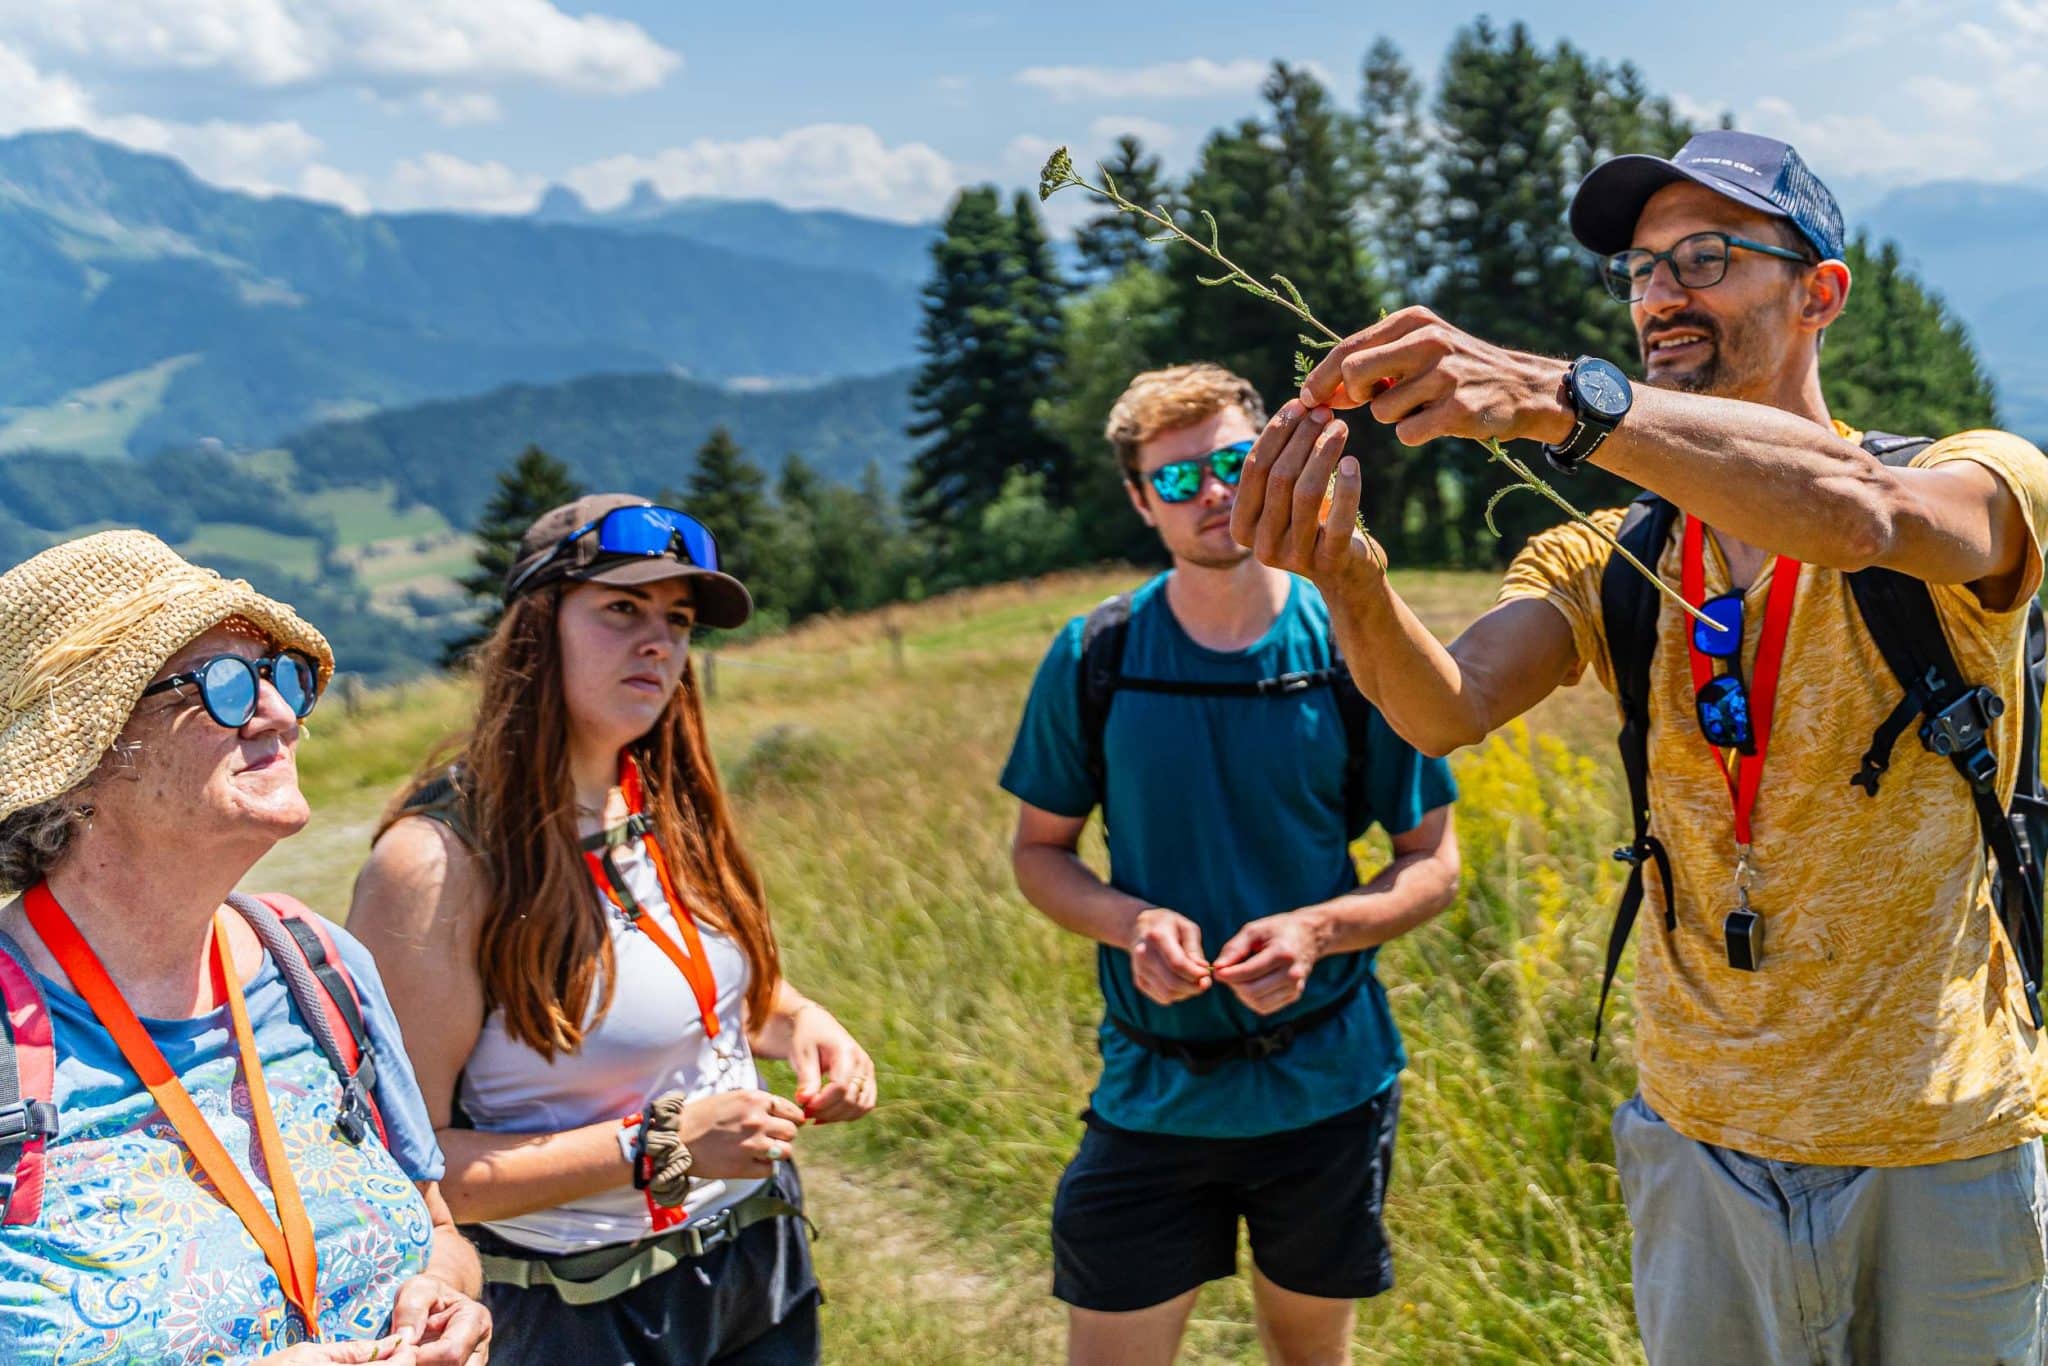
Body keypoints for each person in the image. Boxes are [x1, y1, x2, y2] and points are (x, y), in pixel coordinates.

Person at [1233, 129, 2048, 1362]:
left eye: (1706, 257)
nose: (1661, 293)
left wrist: (1571, 400)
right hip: (1694, 1135)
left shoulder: (1976, 478)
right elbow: (1445, 705)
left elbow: (1863, 515)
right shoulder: (1610, 553)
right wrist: (1348, 579)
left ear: (1818, 291)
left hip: (1938, 1143)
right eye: (1641, 269)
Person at [1000, 363, 1461, 1366]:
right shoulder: (1095, 653)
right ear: (1137, 500)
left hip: (1327, 1084)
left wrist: (1316, 930)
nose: (1211, 493)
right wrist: (1128, 922)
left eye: (1231, 462)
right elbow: (1038, 852)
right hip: (1150, 1091)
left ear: (1268, 462)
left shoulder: (1350, 641)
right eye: (1175, 480)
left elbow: (1431, 861)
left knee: (1308, 1354)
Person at [348, 495, 876, 1366]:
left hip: (757, 1262)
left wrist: (802, 1023)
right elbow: (415, 1169)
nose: (659, 642)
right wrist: (661, 1145)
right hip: (582, 1313)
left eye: (676, 620)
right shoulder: (437, 864)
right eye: (622, 610)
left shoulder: (662, 799)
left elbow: (705, 991)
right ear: (535, 629)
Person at [0, 530, 490, 1365]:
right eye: (225, 686)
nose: (281, 715)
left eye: (280, 679)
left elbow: (441, 1229)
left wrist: (445, 1296)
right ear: (85, 759)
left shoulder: (317, 963)